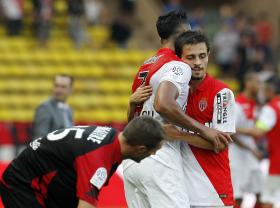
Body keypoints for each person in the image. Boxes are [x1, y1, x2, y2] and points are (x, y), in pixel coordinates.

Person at [124, 10, 231, 208]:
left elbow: (134, 119)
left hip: (132, 159)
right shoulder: (179, 65)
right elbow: (163, 104)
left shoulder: (146, 66)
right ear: (183, 32)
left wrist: (131, 104)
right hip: (159, 154)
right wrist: (203, 129)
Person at [0, 116, 165, 208]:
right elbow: (86, 205)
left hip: (46, 183)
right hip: (22, 186)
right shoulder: (98, 158)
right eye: (154, 150)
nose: (154, 154)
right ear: (141, 149)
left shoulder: (113, 137)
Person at [168, 30, 236, 207]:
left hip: (212, 192)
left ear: (209, 56)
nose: (198, 63)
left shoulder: (222, 93)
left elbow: (221, 143)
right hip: (179, 192)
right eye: (190, 57)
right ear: (179, 59)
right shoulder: (171, 94)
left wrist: (178, 134)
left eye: (202, 56)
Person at [239, 77, 280, 208]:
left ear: (269, 90)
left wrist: (232, 128)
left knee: (267, 199)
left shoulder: (271, 108)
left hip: (277, 162)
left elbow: (258, 131)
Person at [229, 72, 263, 208]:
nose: (259, 87)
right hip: (237, 156)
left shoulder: (256, 104)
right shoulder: (237, 105)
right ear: (248, 84)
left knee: (261, 194)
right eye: (257, 83)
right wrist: (249, 135)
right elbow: (230, 130)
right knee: (237, 196)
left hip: (252, 155)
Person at [33, 74, 74, 139]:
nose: (58, 90)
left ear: (70, 90)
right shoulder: (45, 108)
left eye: (63, 87)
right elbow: (39, 139)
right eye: (56, 86)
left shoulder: (68, 109)